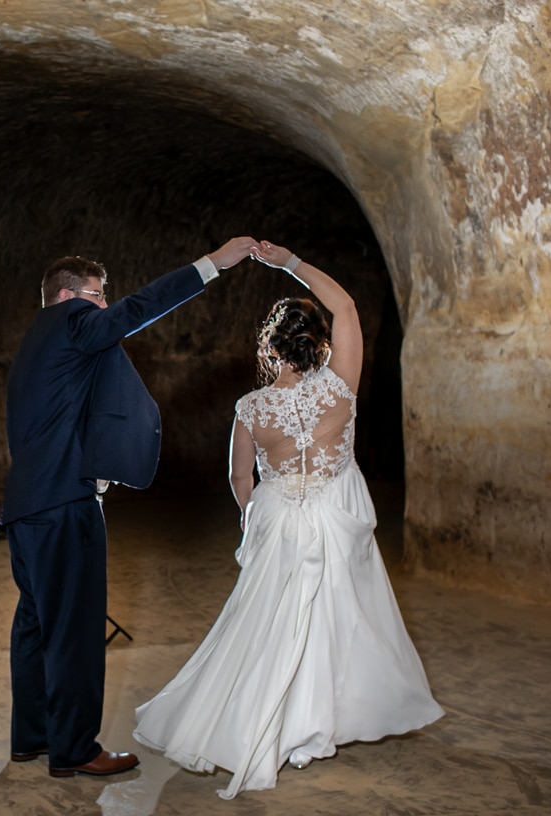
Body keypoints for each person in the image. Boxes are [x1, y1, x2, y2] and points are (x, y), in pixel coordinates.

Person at [132, 239, 444, 799]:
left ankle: (266, 725)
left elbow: (240, 478)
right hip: (335, 511)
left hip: (278, 515)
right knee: (334, 619)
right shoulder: (341, 386)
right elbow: (345, 305)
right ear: (320, 342)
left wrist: (251, 516)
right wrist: (290, 263)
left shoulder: (251, 408)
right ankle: (314, 726)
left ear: (269, 348)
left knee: (267, 621)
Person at [2, 237, 263, 779]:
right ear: (69, 296)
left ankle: (32, 738)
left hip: (26, 506)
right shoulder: (74, 322)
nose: (104, 305)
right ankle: (75, 749)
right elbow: (139, 308)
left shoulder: (33, 341)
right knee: (75, 631)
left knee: (34, 625)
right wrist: (213, 264)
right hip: (64, 504)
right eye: (98, 295)